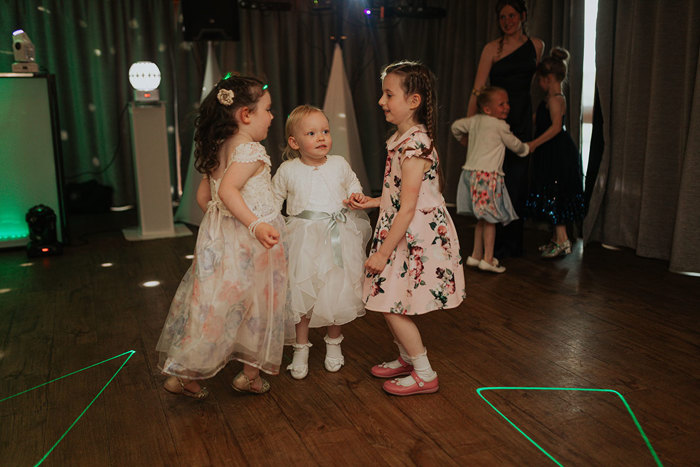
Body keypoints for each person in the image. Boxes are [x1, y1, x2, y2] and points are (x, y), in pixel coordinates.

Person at [156, 74, 295, 398]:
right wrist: (255, 226)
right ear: (246, 115)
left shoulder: (217, 148)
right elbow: (230, 191)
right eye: (268, 110)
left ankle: (185, 372)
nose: (272, 117)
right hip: (255, 245)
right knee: (257, 306)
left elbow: (206, 199)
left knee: (213, 305)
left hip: (220, 241)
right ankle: (250, 376)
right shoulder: (251, 151)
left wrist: (222, 230)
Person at [348, 61, 466, 396]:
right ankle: (406, 357)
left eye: (388, 94)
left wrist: (383, 252)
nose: (381, 101)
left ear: (413, 101)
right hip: (400, 228)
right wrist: (373, 202)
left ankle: (425, 373)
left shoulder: (415, 146)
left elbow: (410, 205)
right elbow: (401, 193)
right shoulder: (402, 139)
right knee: (386, 297)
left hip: (413, 236)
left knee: (387, 300)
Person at [271, 105, 371, 380]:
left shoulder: (339, 163)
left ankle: (333, 344)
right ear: (294, 142)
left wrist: (356, 196)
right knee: (302, 294)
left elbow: (353, 183)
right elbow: (273, 200)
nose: (321, 137)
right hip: (302, 239)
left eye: (325, 131)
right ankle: (300, 347)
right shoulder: (288, 170)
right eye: (312, 133)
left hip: (336, 235)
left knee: (334, 292)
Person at [466, 0, 544, 259]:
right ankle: (493, 245)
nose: (508, 21)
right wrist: (470, 125)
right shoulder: (491, 49)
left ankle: (513, 244)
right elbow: (478, 88)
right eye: (502, 17)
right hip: (496, 121)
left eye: (512, 16)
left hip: (522, 119)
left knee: (518, 182)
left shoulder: (536, 45)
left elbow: (534, 84)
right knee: (495, 181)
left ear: (522, 16)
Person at [451, 87, 530, 273]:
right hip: (487, 177)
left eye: (507, 103)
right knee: (491, 220)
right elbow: (516, 145)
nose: (507, 107)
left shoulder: (474, 121)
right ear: (487, 109)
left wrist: (464, 140)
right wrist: (526, 149)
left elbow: (456, 127)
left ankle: (476, 255)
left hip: (470, 175)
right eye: (501, 104)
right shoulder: (500, 126)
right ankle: (488, 259)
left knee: (482, 218)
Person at [525, 47, 585, 258]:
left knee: (555, 193)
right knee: (549, 192)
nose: (539, 85)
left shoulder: (555, 100)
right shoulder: (550, 100)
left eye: (541, 80)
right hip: (550, 151)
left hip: (556, 152)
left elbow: (556, 127)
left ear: (549, 78)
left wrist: (534, 143)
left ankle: (563, 241)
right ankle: (555, 239)